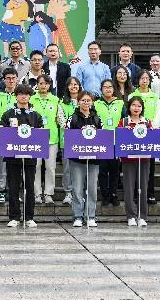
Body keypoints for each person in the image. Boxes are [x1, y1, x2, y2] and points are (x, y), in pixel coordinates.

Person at [0, 84, 43, 228]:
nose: (23, 96)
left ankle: (29, 217)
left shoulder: (36, 114)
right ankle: (14, 217)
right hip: (12, 156)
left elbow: (42, 132)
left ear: (30, 96)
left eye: (26, 94)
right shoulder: (8, 113)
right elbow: (1, 131)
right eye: (20, 93)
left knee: (30, 187)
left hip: (30, 156)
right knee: (13, 187)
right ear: (16, 95)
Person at [65, 91, 102, 227]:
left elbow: (102, 136)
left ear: (92, 102)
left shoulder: (97, 118)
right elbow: (67, 135)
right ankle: (78, 216)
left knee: (92, 188)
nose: (86, 103)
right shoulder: (73, 118)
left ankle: (90, 215)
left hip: (93, 159)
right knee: (77, 188)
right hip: (76, 159)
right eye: (83, 100)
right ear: (78, 101)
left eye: (88, 100)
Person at [118, 96, 151, 227]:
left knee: (143, 187)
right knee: (129, 187)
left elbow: (153, 138)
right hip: (128, 159)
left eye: (139, 106)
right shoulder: (124, 122)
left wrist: (151, 132)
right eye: (133, 105)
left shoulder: (147, 122)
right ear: (129, 107)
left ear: (142, 108)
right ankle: (131, 215)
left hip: (144, 158)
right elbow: (119, 138)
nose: (136, 108)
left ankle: (142, 216)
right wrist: (124, 132)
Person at [128, 70, 160, 205]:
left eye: (147, 78)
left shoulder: (155, 96)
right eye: (142, 78)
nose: (145, 81)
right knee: (136, 165)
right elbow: (129, 113)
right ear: (138, 80)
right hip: (134, 134)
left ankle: (150, 193)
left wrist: (152, 128)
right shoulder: (132, 96)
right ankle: (137, 194)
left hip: (150, 133)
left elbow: (158, 114)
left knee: (150, 166)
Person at [0, 68, 20, 203]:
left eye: (13, 78)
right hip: (2, 134)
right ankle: (1, 191)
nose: (11, 81)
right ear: (3, 80)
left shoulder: (21, 95)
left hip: (18, 135)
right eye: (8, 78)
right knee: (1, 165)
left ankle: (14, 191)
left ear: (17, 79)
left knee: (16, 165)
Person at [30, 74, 60, 204]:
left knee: (50, 167)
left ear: (50, 85)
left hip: (51, 138)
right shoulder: (31, 99)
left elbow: (60, 118)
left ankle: (48, 193)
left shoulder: (55, 100)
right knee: (36, 166)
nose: (43, 86)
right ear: (37, 84)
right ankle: (36, 193)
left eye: (46, 83)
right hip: (35, 138)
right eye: (41, 83)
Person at [94, 79, 124, 206]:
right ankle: (105, 195)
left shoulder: (120, 103)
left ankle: (113, 194)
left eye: (110, 87)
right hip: (101, 141)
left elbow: (124, 121)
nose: (108, 89)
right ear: (101, 89)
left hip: (116, 140)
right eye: (105, 87)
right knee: (102, 170)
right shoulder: (96, 104)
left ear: (113, 89)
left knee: (114, 170)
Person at [58, 77, 82, 205]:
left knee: (81, 168)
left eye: (76, 84)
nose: (73, 86)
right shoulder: (62, 102)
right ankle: (68, 192)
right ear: (67, 87)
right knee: (67, 168)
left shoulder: (84, 100)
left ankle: (79, 192)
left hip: (83, 141)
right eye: (71, 84)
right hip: (67, 139)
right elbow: (60, 120)